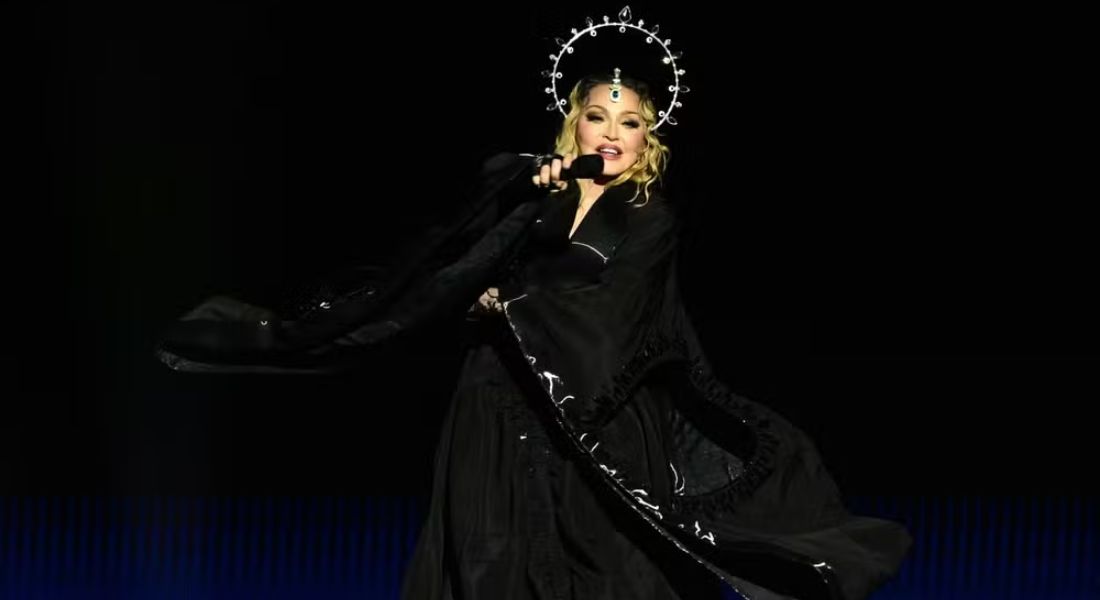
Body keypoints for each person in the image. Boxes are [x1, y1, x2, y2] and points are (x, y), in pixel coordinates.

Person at [155, 15, 911, 599]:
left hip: (602, 426)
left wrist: (510, 302)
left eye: (630, 123)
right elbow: (441, 280)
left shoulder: (650, 219)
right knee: (488, 562)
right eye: (598, 117)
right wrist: (518, 209)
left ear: (649, 140)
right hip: (498, 406)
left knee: (613, 572)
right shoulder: (517, 185)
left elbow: (612, 314)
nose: (611, 133)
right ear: (572, 119)